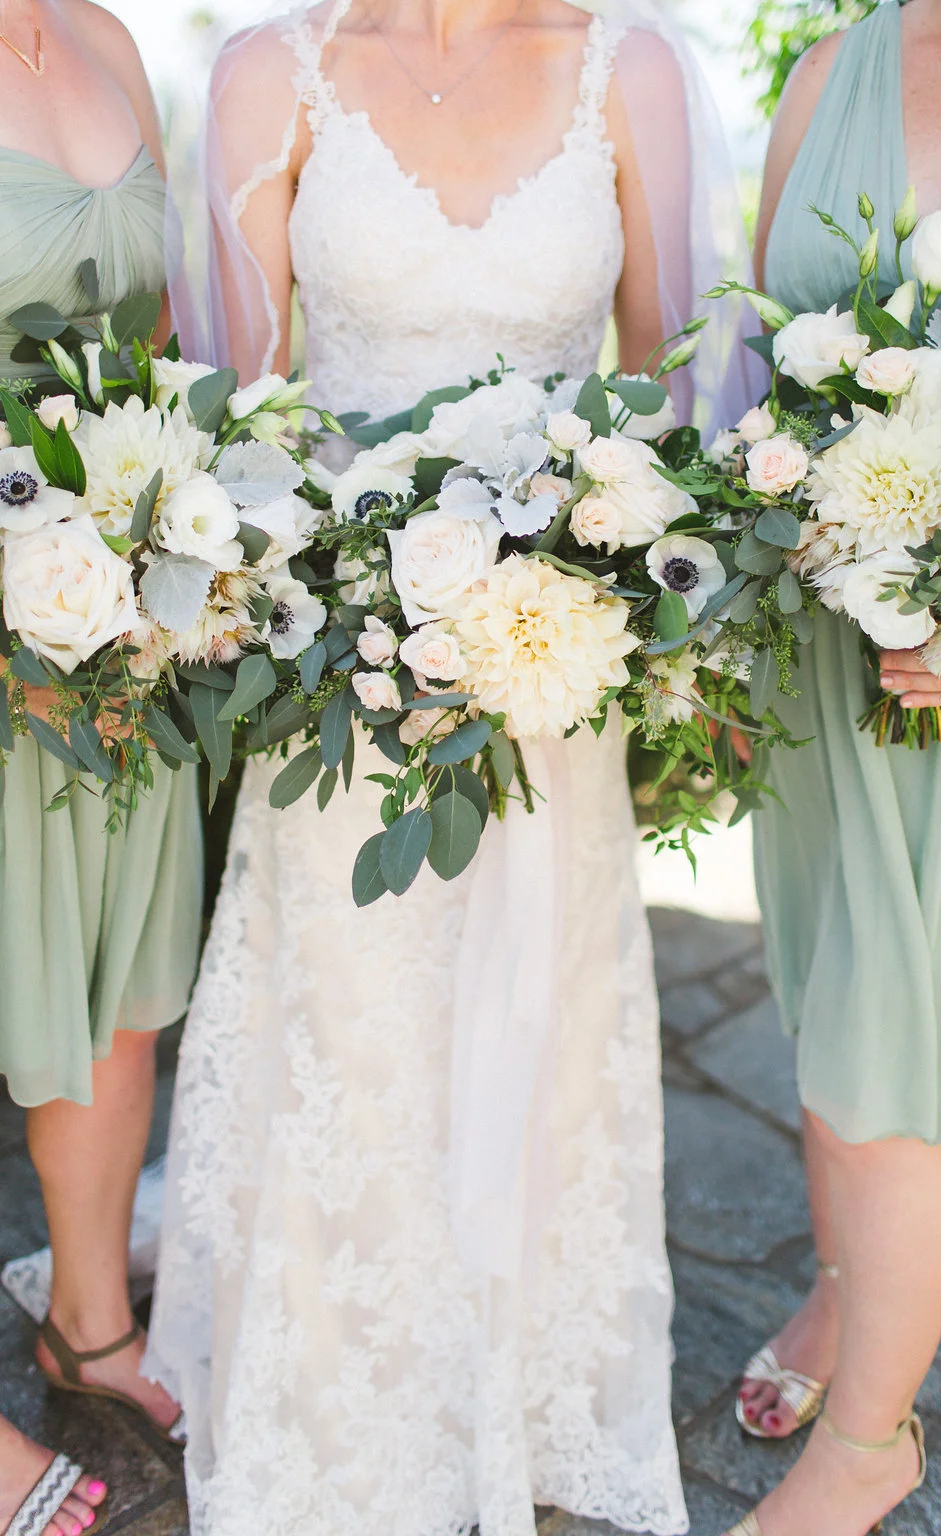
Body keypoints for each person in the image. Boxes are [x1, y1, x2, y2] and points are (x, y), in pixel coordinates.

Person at [145, 3, 752, 1534]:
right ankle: (345, 1399)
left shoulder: (640, 69)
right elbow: (235, 413)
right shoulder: (267, 78)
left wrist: (568, 569)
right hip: (338, 660)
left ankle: (528, 1387)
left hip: (555, 652)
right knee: (349, 1015)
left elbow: (675, 380)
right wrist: (353, 595)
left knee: (540, 1012)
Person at [727, 0, 941, 1532]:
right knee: (828, 1008)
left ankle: (869, 1451)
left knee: (888, 1079)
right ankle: (850, 1297)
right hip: (817, 650)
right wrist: (705, 610)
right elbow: (759, 369)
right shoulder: (838, 66)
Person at [0, 3, 204, 1532]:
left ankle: (89, 1321)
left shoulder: (105, 33)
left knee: (118, 994)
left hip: (112, 617)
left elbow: (163, 340)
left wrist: (174, 527)